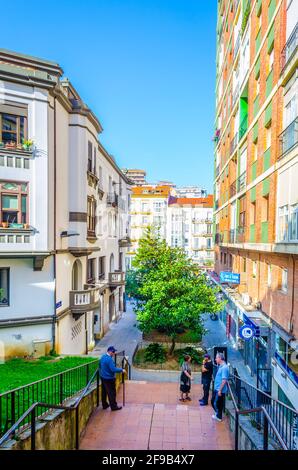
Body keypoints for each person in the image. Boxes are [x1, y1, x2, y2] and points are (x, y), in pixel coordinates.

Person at [100, 346, 125, 411]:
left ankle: (104, 405)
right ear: (109, 351)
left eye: (114, 352)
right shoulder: (109, 359)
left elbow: (100, 365)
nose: (114, 353)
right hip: (109, 378)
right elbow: (113, 369)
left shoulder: (103, 357)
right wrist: (121, 370)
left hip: (103, 377)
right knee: (112, 393)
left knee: (104, 392)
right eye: (113, 352)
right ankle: (114, 406)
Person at [211, 352, 229, 422]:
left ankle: (219, 416)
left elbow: (224, 380)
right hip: (217, 388)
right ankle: (217, 414)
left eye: (216, 358)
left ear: (220, 358)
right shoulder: (221, 366)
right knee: (213, 401)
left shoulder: (224, 367)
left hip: (219, 390)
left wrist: (220, 390)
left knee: (217, 403)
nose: (215, 359)